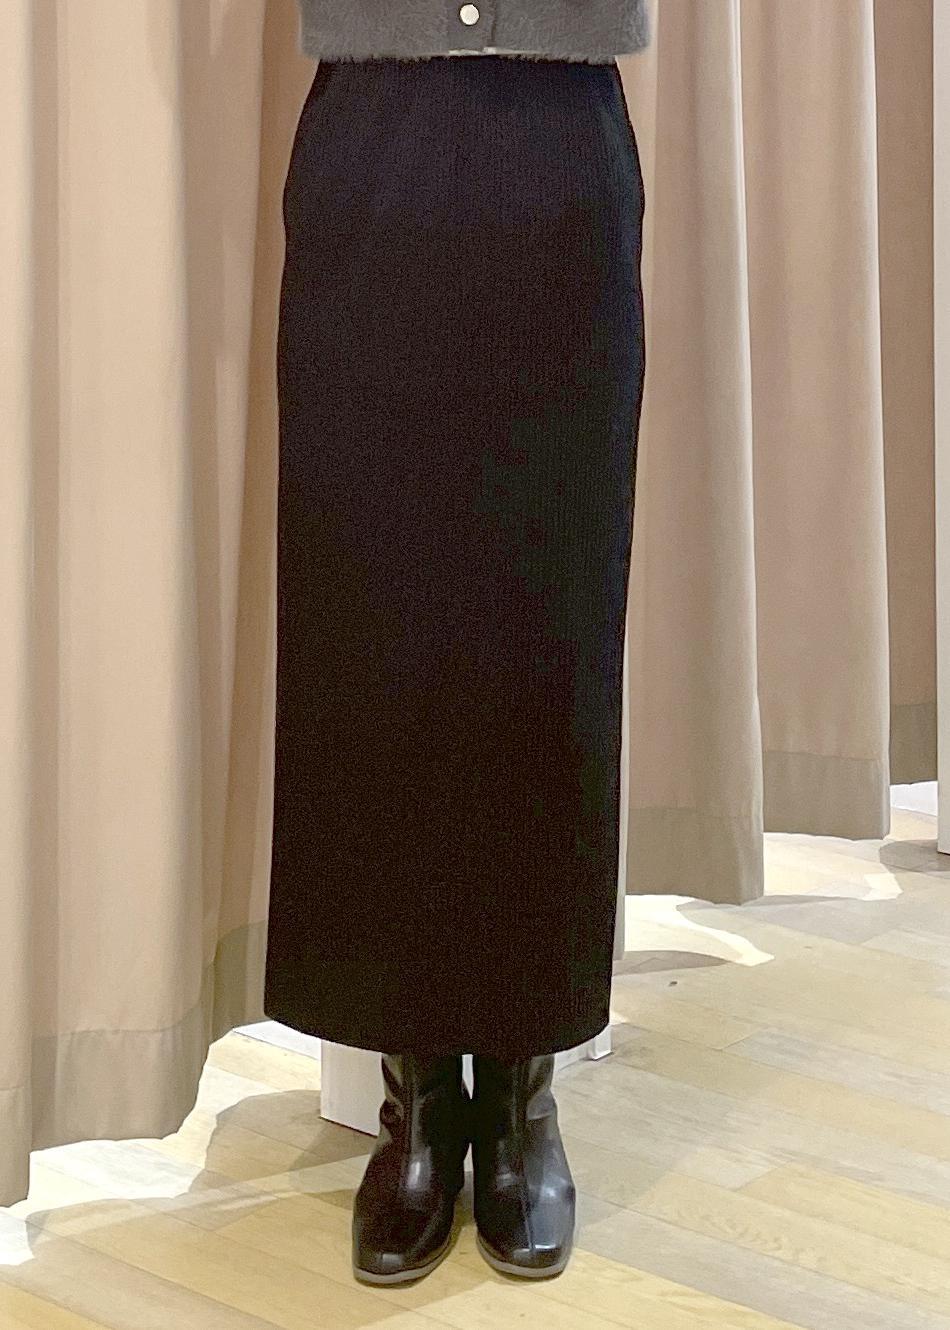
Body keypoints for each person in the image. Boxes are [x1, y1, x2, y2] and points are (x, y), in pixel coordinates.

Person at [263, 0, 651, 1284]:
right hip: (377, 125)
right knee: (374, 612)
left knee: (548, 611)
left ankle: (524, 1085)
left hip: (558, 124)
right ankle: (417, 1097)